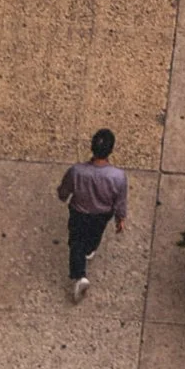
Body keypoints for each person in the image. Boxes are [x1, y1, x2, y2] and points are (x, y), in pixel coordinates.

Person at [58, 130, 127, 303]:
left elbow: (64, 190)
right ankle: (90, 249)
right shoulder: (118, 176)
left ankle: (80, 275)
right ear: (111, 150)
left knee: (76, 242)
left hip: (79, 212)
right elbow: (120, 200)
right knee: (95, 233)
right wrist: (120, 218)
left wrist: (63, 196)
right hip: (103, 214)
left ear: (91, 147)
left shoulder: (77, 171)